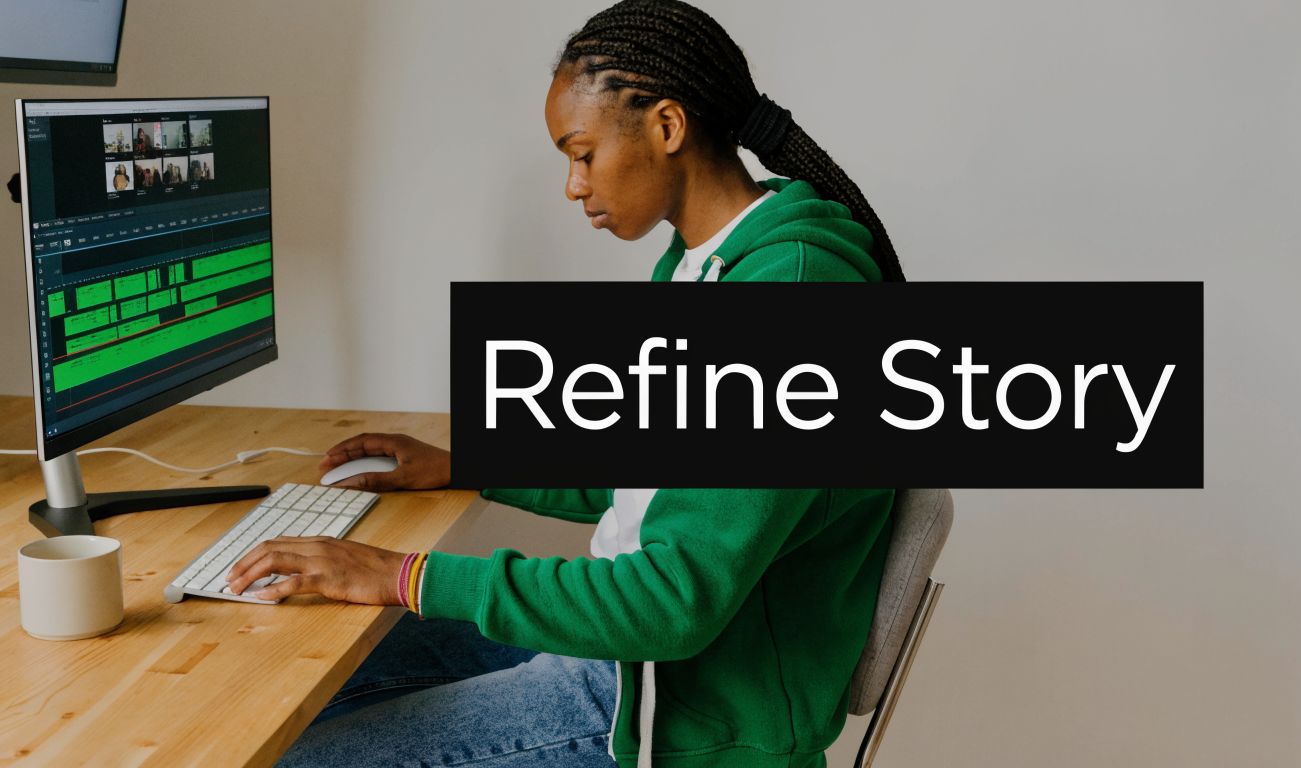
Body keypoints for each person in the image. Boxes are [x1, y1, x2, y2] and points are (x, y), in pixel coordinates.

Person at [235, 1, 906, 765]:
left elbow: (669, 604)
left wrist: (400, 573)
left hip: (679, 709)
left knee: (301, 755)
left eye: (582, 153)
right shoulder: (711, 265)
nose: (572, 185)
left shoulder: (787, 298)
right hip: (630, 660)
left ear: (666, 126)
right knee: (331, 676)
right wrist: (468, 465)